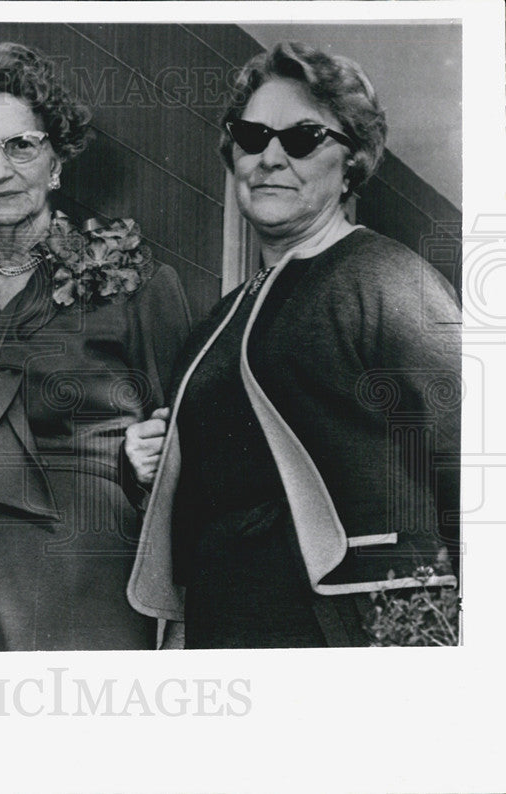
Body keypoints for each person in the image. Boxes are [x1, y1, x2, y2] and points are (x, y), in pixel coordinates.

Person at [124, 42, 461, 649]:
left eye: (303, 137)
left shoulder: (385, 277)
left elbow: (478, 452)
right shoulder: (218, 320)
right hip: (225, 619)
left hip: (363, 623)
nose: (270, 157)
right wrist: (155, 457)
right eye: (252, 136)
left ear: (352, 161)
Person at [0, 42, 192, 652]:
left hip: (83, 569)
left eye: (21, 145)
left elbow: (191, 440)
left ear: (56, 162)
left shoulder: (137, 283)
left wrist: (156, 458)